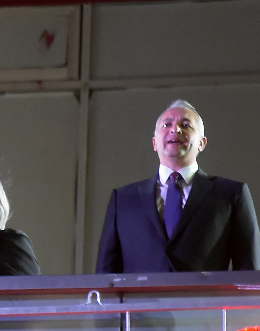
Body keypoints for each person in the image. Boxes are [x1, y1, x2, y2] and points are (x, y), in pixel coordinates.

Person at [97, 101, 260, 273]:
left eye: (186, 125)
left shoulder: (230, 195)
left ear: (202, 143)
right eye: (167, 124)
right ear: (154, 143)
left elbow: (248, 270)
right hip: (141, 300)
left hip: (205, 299)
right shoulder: (123, 199)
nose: (175, 129)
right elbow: (105, 274)